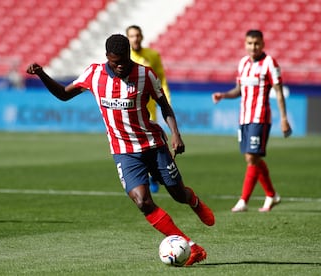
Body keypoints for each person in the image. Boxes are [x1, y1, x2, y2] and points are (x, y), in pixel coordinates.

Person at [26, 34, 214, 265]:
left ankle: (193, 201)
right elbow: (64, 95)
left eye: (125, 60)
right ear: (107, 57)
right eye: (116, 62)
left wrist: (176, 134)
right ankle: (191, 246)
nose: (121, 65)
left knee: (177, 193)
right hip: (124, 151)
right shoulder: (94, 74)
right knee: (142, 201)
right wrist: (42, 74)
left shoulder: (146, 74)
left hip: (153, 145)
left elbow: (165, 106)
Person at [211, 29, 292, 213]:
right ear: (245, 44)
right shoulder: (243, 63)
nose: (253, 47)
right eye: (249, 43)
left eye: (256, 43)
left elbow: (278, 92)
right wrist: (223, 95)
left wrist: (284, 118)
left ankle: (243, 200)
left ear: (263, 44)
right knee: (252, 157)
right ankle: (272, 195)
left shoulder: (270, 63)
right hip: (244, 118)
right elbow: (239, 90)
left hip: (260, 117)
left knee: (252, 158)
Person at [126, 25, 171, 193]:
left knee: (149, 143)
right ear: (127, 38)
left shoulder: (152, 55)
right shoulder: (125, 57)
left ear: (142, 36)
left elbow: (161, 79)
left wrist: (166, 100)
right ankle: (143, 175)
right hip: (130, 108)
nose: (135, 38)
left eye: (137, 35)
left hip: (148, 106)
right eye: (132, 36)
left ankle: (153, 175)